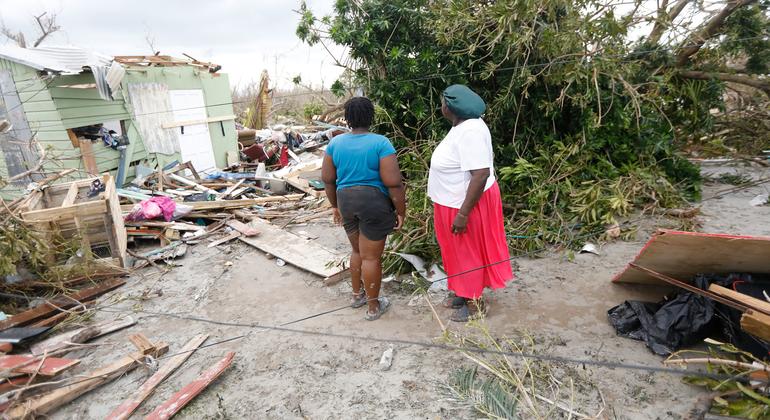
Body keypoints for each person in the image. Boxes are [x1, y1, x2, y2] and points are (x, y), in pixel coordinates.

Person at [427, 84, 514, 322]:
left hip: (464, 203)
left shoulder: (471, 131)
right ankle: (464, 293)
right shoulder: (461, 126)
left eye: (443, 102)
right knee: (455, 251)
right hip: (451, 201)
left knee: (467, 252)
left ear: (450, 107)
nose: (441, 106)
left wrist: (464, 214)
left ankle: (475, 303)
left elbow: (480, 174)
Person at [322, 96, 407, 321]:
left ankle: (357, 296)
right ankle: (373, 307)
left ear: (347, 119)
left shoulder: (335, 144)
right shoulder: (381, 143)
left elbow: (328, 180)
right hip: (373, 203)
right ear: (371, 117)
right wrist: (400, 210)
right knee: (371, 258)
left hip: (346, 201)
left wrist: (335, 206)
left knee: (357, 251)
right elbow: (393, 182)